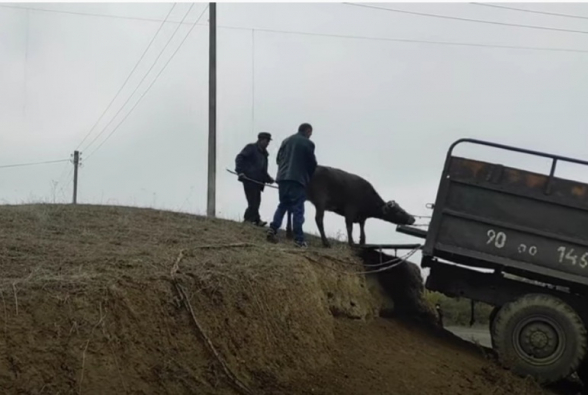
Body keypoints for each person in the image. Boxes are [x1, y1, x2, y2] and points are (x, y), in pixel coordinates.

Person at [267, 123, 317, 247]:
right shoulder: (308, 144)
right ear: (308, 131)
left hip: (283, 178)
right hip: (298, 180)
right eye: (310, 133)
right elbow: (312, 164)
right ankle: (299, 239)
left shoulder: (286, 141)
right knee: (298, 209)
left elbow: (278, 159)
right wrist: (308, 177)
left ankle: (273, 229)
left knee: (283, 205)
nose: (310, 135)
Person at [235, 132, 274, 226]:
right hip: (249, 178)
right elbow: (239, 158)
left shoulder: (264, 155)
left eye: (269, 141)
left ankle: (255, 220)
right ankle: (249, 220)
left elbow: (262, 170)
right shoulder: (251, 148)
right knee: (253, 201)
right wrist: (240, 172)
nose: (268, 143)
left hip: (258, 181)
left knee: (257, 201)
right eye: (266, 141)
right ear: (261, 140)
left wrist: (269, 179)